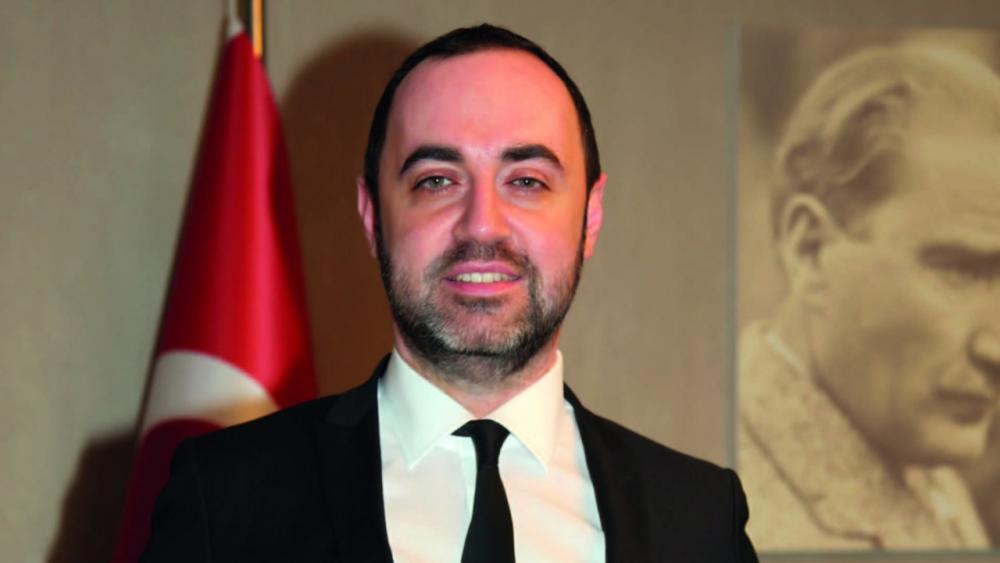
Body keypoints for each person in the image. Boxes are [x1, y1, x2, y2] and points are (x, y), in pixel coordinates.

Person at [142, 24, 757, 562]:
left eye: (527, 181)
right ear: (372, 217)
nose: (482, 225)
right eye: (437, 180)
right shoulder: (223, 497)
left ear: (590, 217)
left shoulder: (701, 519)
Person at [738, 43, 1000, 551]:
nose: (995, 348)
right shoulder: (749, 522)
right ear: (811, 251)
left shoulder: (900, 437)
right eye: (960, 271)